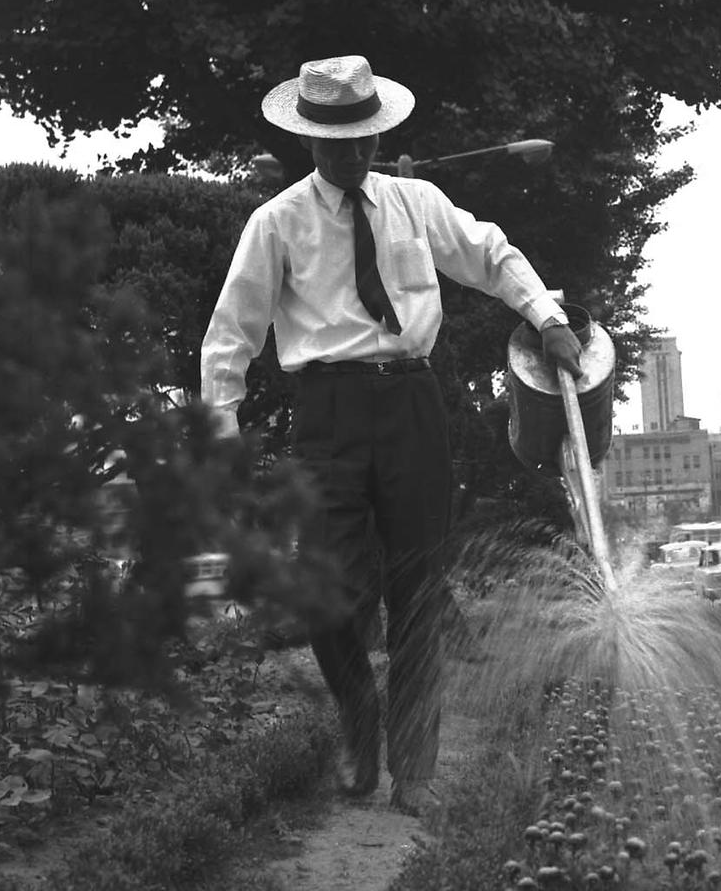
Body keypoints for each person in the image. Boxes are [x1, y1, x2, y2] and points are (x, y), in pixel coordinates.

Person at [201, 55, 581, 810]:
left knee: (417, 591)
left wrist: (550, 319)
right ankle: (356, 715)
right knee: (330, 593)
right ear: (308, 142)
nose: (353, 155)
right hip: (327, 415)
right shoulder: (275, 223)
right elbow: (230, 332)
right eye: (337, 144)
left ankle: (414, 766)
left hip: (412, 405)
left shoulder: (416, 202)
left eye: (365, 140)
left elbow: (491, 254)